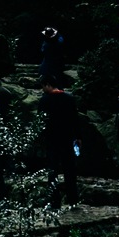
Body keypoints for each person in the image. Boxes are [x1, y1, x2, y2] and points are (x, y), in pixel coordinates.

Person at [39, 76, 81, 209]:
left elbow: (40, 122)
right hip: (67, 139)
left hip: (52, 140)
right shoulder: (69, 99)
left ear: (48, 85)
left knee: (53, 172)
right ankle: (73, 200)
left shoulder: (44, 100)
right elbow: (75, 119)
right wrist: (78, 137)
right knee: (70, 171)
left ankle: (54, 201)